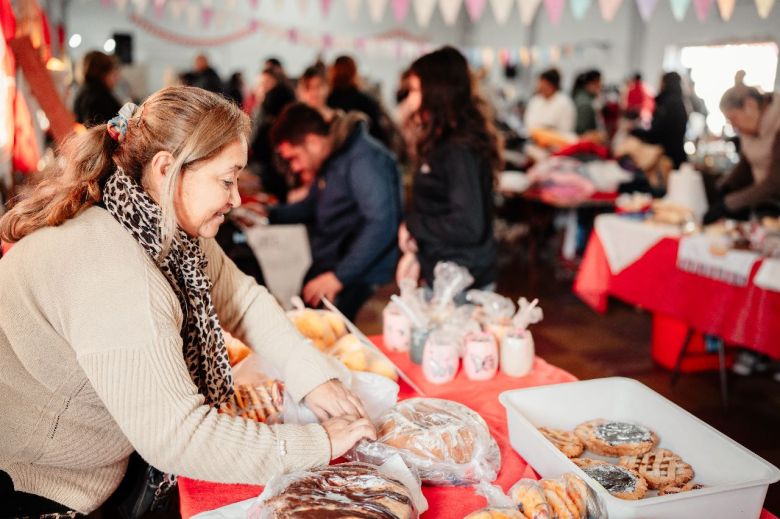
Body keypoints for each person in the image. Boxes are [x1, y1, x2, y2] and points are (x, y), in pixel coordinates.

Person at [0, 87, 375, 517]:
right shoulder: (116, 272)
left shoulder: (152, 219)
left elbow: (240, 298)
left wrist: (311, 376)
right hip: (40, 485)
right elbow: (176, 436)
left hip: (99, 462)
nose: (235, 199)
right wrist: (320, 443)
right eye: (226, 179)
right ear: (166, 170)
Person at [269, 103, 401, 320]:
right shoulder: (333, 158)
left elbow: (381, 223)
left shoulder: (363, 159)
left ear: (312, 141)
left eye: (294, 158)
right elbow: (313, 204)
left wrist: (338, 277)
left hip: (360, 280)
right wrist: (269, 214)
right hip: (334, 266)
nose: (294, 168)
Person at [396, 46, 502, 292]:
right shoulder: (443, 141)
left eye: (414, 90)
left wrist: (414, 224)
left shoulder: (458, 150)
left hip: (462, 282)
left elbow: (467, 225)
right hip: (446, 274)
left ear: (436, 92)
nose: (410, 100)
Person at [704, 84, 780, 223]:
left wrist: (728, 203)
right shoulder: (751, 125)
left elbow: (775, 184)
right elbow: (747, 162)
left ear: (750, 105)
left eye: (734, 119)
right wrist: (724, 186)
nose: (733, 127)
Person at [249, 66, 297, 202]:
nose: (263, 87)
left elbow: (257, 138)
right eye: (261, 84)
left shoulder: (272, 103)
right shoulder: (260, 106)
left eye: (267, 83)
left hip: (271, 166)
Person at [631, 71, 689, 169]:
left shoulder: (668, 104)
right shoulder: (679, 103)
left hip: (668, 159)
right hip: (676, 156)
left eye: (661, 82)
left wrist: (635, 131)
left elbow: (656, 134)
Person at [327, 55, 389, 145]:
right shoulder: (366, 102)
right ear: (354, 73)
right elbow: (379, 136)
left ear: (333, 73)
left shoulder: (328, 103)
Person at [72, 50, 121, 126]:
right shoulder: (98, 96)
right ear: (103, 73)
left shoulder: (84, 92)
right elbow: (97, 129)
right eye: (113, 72)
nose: (117, 78)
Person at [523, 68, 576, 135]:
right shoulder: (535, 100)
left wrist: (545, 131)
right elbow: (528, 123)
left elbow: (566, 130)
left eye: (542, 83)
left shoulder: (564, 103)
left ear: (551, 85)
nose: (539, 86)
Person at [572, 69, 603, 136]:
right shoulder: (585, 104)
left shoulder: (582, 97)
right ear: (590, 84)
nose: (600, 86)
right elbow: (581, 131)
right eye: (599, 83)